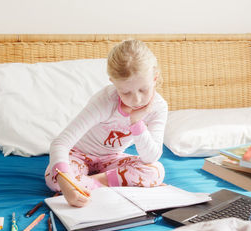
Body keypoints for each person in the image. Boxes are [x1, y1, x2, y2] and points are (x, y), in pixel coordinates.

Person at [45, 40, 168, 207]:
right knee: (54, 179)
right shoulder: (105, 101)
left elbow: (151, 157)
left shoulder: (158, 108)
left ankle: (93, 183)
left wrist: (136, 121)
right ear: (113, 82)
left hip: (111, 159)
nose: (136, 100)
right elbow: (60, 143)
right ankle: (106, 183)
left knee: (156, 171)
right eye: (125, 92)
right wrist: (66, 184)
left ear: (154, 78)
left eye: (143, 90)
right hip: (79, 154)